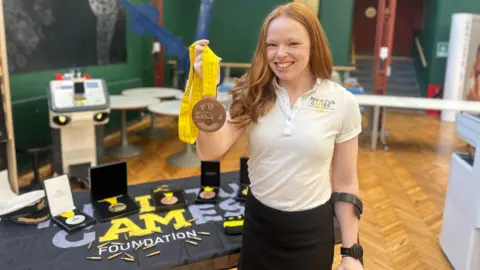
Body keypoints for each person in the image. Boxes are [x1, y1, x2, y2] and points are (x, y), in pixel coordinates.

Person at [193, 2, 363, 270]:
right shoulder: (253, 92)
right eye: (272, 45)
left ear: (313, 45)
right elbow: (209, 152)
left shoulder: (342, 102)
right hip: (260, 228)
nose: (280, 54)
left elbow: (345, 183)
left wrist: (352, 252)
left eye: (293, 43)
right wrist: (207, 93)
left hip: (311, 233)